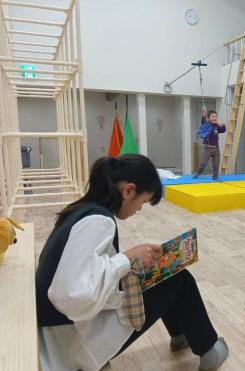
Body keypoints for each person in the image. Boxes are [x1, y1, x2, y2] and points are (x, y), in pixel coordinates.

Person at [36, 154, 228, 371]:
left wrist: (130, 263)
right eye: (143, 202)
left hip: (60, 331)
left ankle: (180, 335)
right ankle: (208, 349)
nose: (139, 210)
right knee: (178, 279)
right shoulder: (98, 221)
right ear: (128, 190)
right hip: (70, 343)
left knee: (165, 271)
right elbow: (73, 295)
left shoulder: (82, 209)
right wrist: (126, 259)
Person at [193, 106, 226, 180]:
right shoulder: (206, 124)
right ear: (208, 118)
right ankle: (198, 173)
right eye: (213, 116)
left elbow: (223, 130)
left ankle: (215, 177)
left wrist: (223, 125)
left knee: (216, 164)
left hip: (216, 149)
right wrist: (204, 113)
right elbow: (203, 120)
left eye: (216, 116)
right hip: (208, 148)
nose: (215, 118)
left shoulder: (217, 126)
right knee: (203, 163)